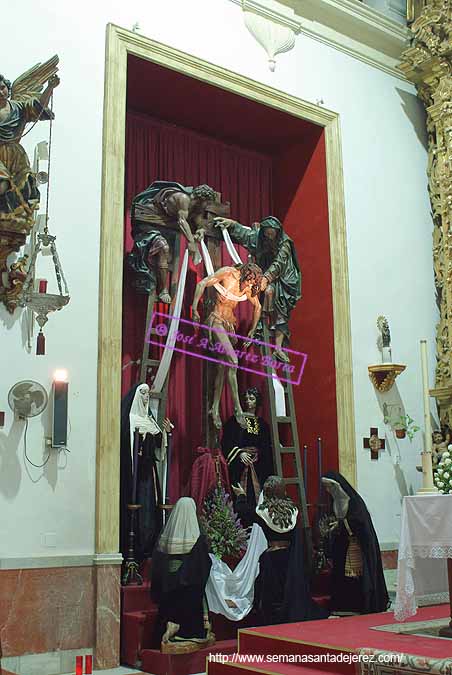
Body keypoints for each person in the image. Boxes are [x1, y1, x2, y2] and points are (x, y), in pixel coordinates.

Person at [233, 476, 328, 625]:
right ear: (283, 490)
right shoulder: (293, 511)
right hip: (290, 556)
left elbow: (242, 511)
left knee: (271, 591)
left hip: (271, 558)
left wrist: (241, 496)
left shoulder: (262, 512)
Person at [216, 216, 301, 362]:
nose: (269, 237)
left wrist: (266, 278)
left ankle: (278, 348)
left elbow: (279, 264)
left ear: (277, 232)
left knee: (281, 309)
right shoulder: (259, 238)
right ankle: (262, 324)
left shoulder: (284, 243)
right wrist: (232, 224)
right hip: (266, 275)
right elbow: (245, 234)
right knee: (267, 294)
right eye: (266, 234)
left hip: (285, 279)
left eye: (271, 234)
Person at [191, 262, 263, 429]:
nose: (251, 284)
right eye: (251, 280)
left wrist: (252, 330)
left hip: (230, 326)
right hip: (216, 320)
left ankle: (214, 408)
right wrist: (194, 308)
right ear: (247, 273)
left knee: (223, 369)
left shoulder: (246, 288)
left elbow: (258, 307)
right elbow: (202, 283)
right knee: (233, 361)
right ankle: (237, 408)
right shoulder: (228, 273)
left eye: (253, 282)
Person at [129, 181, 219, 302]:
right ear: (201, 199)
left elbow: (199, 222)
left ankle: (162, 290)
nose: (207, 206)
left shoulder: (196, 207)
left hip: (166, 229)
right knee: (163, 247)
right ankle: (163, 290)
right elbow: (182, 221)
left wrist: (201, 230)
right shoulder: (183, 199)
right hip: (148, 224)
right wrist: (192, 243)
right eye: (207, 202)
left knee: (168, 255)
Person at [150, 497, 215, 653]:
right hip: (188, 600)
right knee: (194, 593)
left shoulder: (166, 540)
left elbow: (158, 572)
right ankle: (185, 630)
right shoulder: (197, 541)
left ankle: (170, 625)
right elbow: (203, 572)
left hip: (168, 596)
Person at [321, 471, 389, 614]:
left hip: (357, 545)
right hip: (344, 545)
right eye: (326, 487)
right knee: (342, 576)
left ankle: (359, 605)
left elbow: (359, 522)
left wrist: (342, 523)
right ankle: (343, 606)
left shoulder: (354, 502)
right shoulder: (334, 502)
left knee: (356, 575)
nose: (328, 491)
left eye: (330, 487)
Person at [0, 61, 59, 224]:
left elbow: (38, 106)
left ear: (7, 87)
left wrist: (49, 87)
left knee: (27, 184)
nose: (1, 92)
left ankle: (19, 217)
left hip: (15, 155)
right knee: (3, 184)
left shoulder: (19, 107)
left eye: (2, 87)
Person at [120, 383, 173, 561]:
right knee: (139, 509)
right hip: (135, 474)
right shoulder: (131, 420)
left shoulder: (150, 421)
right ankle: (137, 547)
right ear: (136, 396)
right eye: (142, 393)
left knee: (150, 509)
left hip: (149, 474)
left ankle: (149, 545)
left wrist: (166, 434)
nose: (146, 397)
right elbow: (128, 447)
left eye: (148, 393)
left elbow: (159, 448)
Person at [222, 387, 273, 515]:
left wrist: (259, 455)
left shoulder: (262, 424)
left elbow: (265, 446)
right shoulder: (235, 421)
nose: (248, 402)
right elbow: (227, 441)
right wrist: (239, 453)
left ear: (257, 402)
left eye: (252, 399)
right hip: (239, 465)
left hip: (257, 466)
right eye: (246, 399)